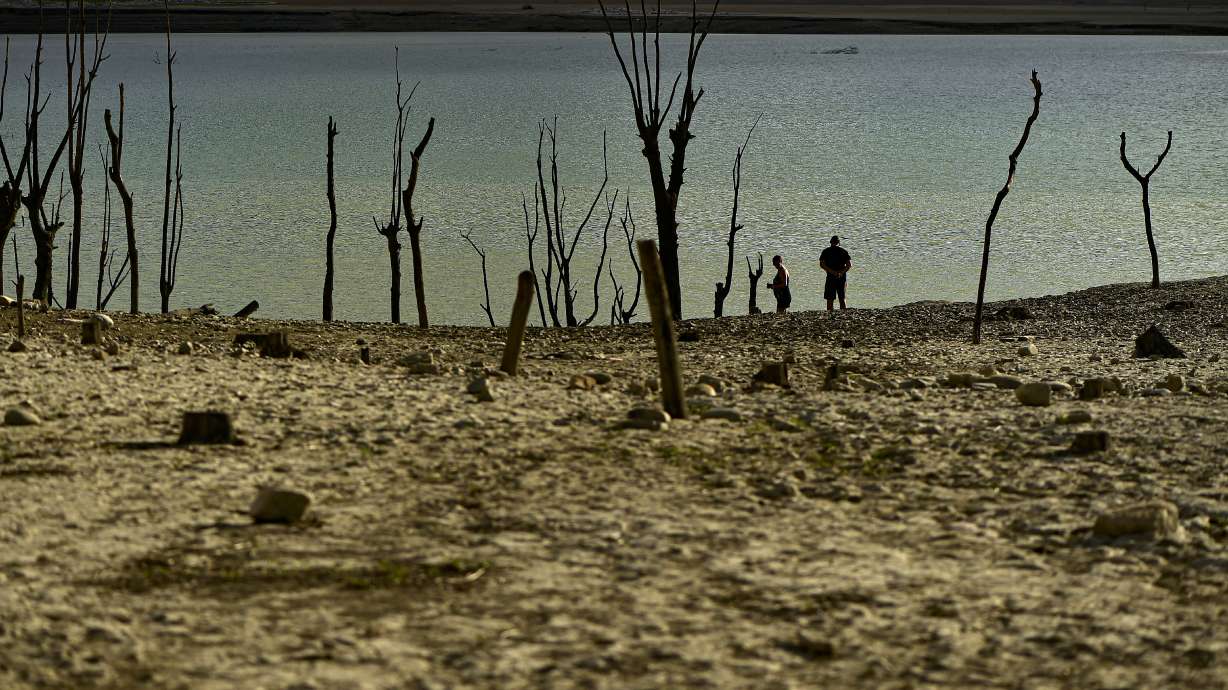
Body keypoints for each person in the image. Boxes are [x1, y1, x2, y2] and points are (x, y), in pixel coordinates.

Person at [819, 235, 852, 311]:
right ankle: (843, 315)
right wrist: (841, 273)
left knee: (830, 299)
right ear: (839, 243)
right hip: (841, 277)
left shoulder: (826, 251)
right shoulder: (843, 251)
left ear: (830, 242)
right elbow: (849, 265)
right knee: (842, 298)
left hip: (830, 277)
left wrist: (831, 272)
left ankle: (830, 315)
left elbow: (822, 264)